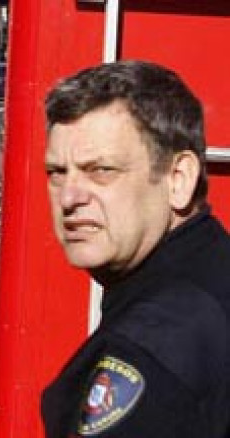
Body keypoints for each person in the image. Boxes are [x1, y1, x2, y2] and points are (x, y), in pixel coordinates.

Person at [40, 60, 230, 436]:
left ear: (178, 179)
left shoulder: (149, 351)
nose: (69, 197)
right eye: (57, 173)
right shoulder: (214, 271)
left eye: (101, 171)